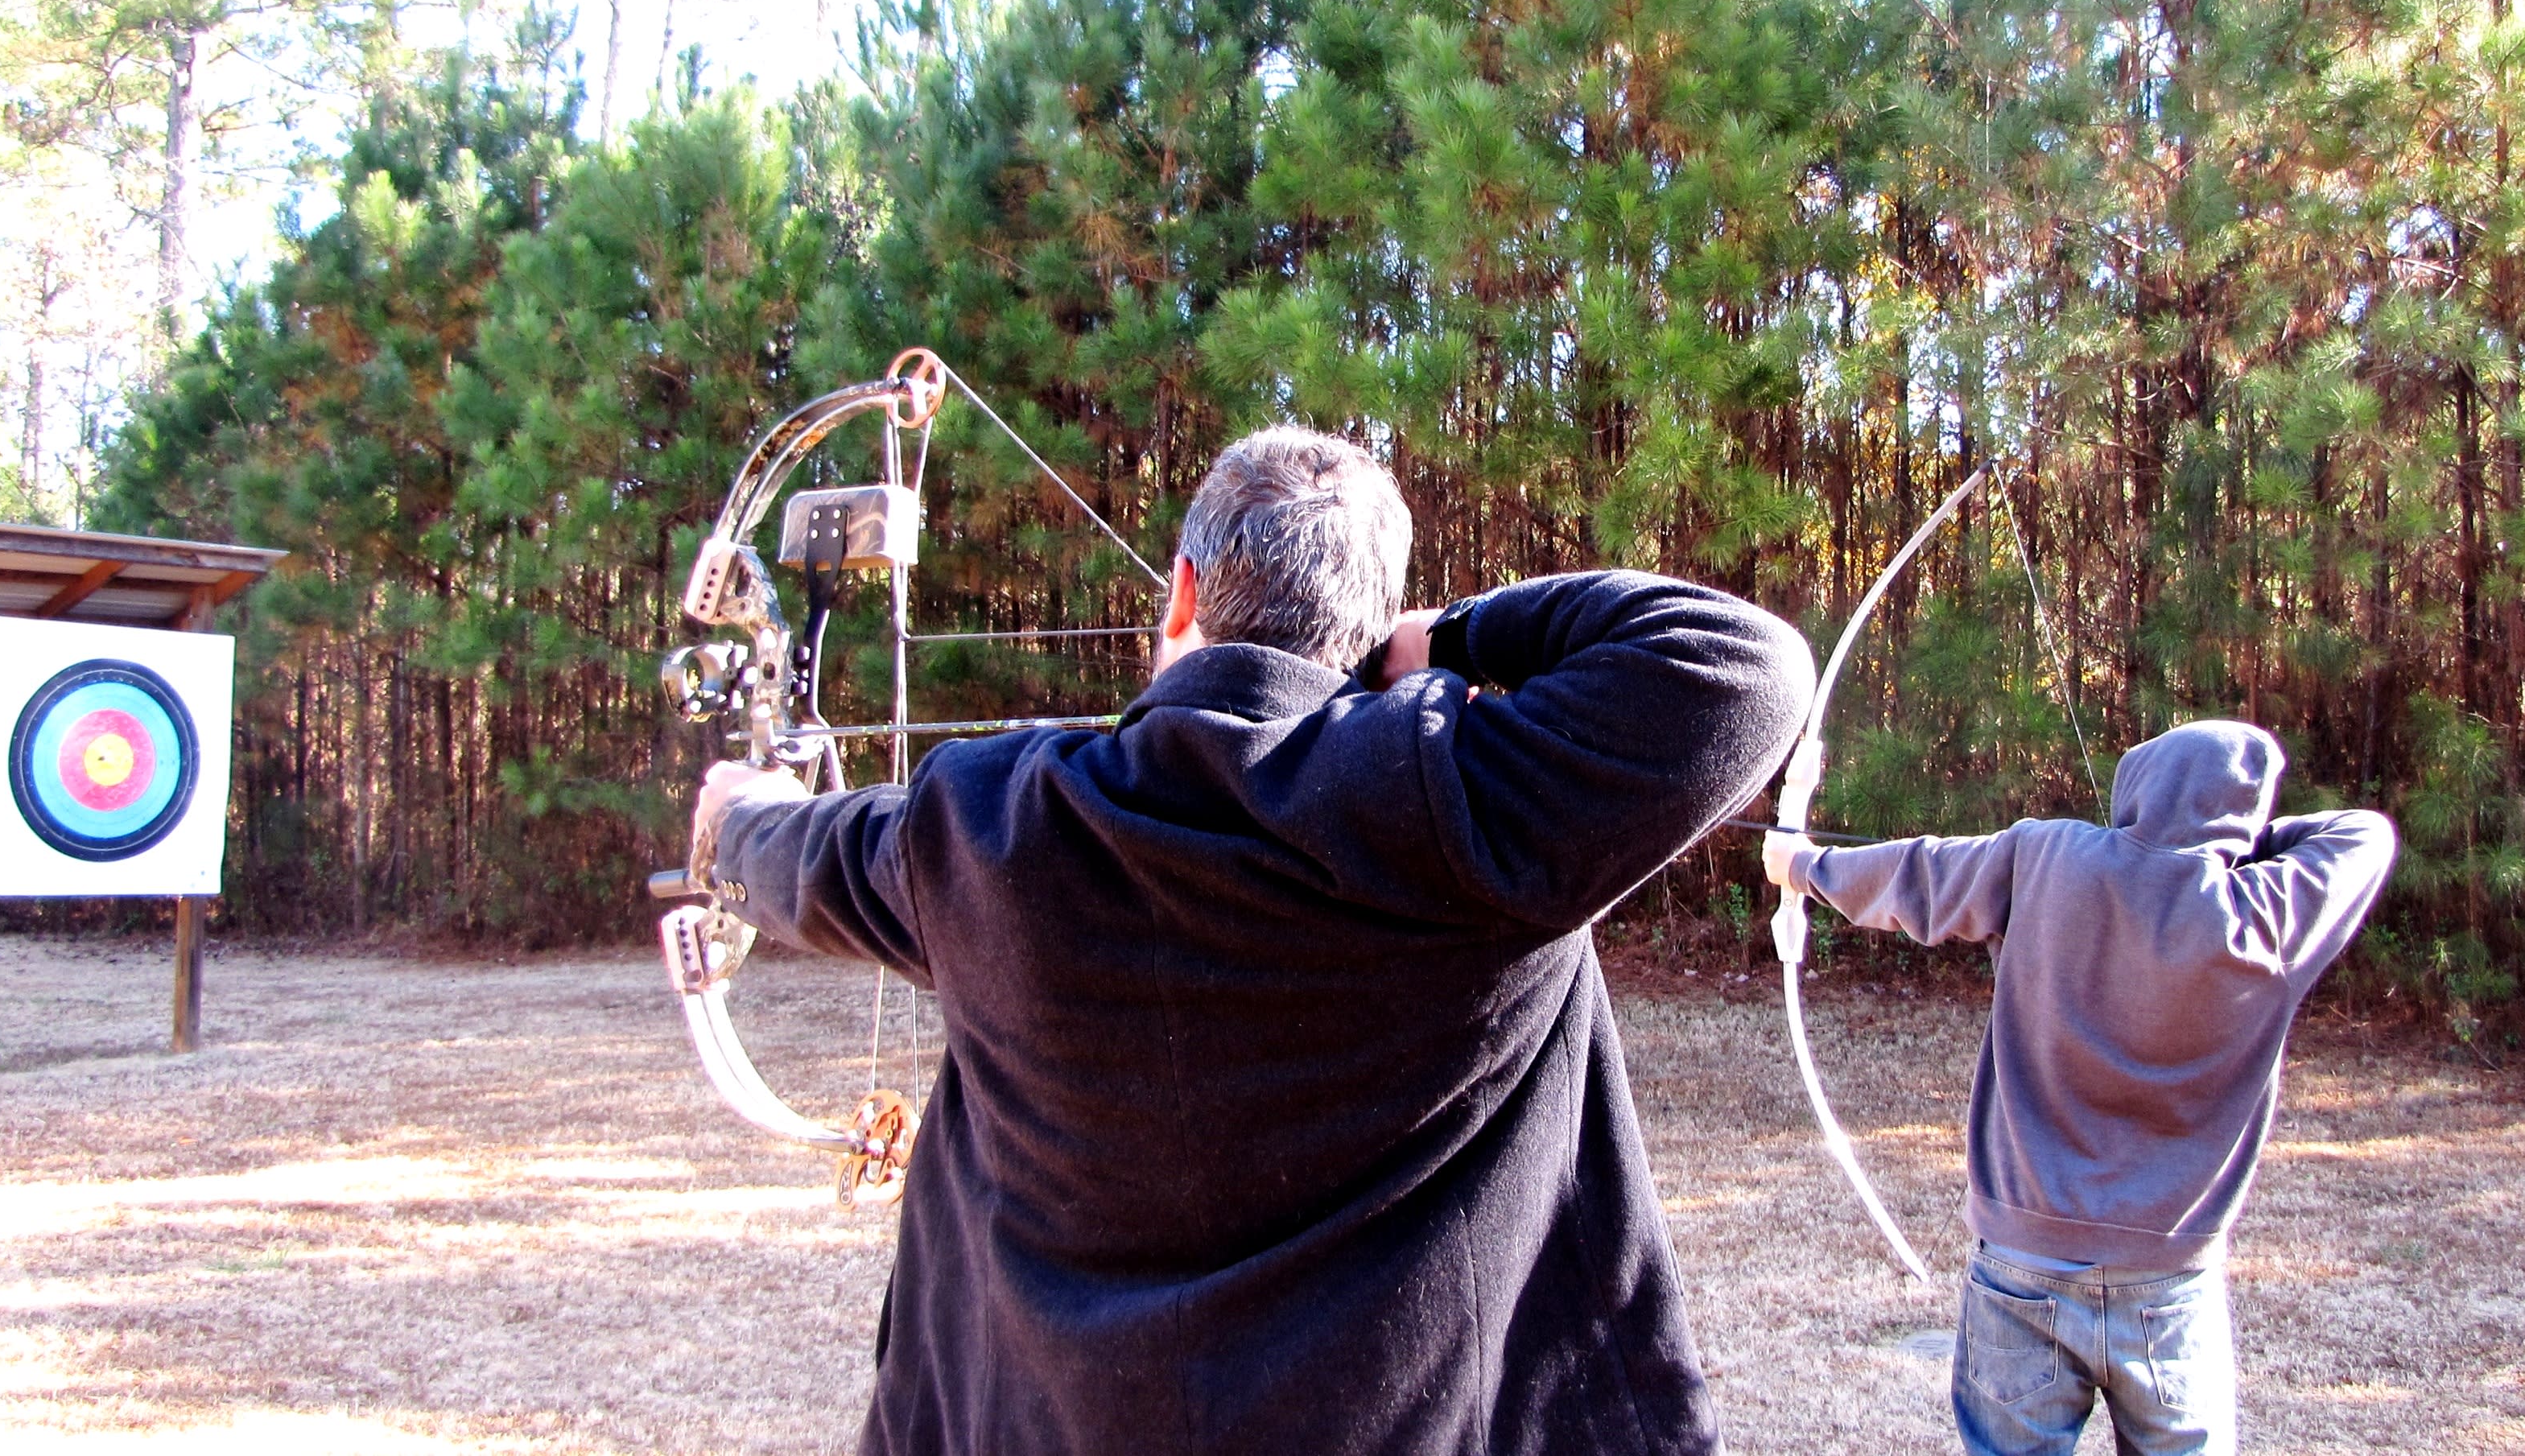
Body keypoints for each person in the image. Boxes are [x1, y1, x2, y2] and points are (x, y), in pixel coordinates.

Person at [692, 427, 1815, 1455]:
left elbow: (806, 855)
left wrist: (733, 818)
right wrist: (1454, 636)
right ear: (1379, 628)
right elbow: (1746, 665)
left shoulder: (988, 825)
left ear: (1181, 590)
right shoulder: (1463, 799)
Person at [1760, 720, 2397, 1456]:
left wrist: (1803, 866)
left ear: (2136, 790)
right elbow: (2364, 834)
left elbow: (1920, 874)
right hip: (2169, 1282)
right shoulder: (2268, 911)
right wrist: (2234, 840)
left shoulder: (2051, 856)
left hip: (2021, 1266)